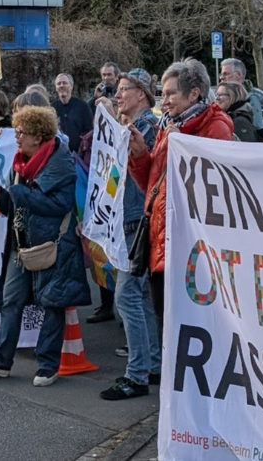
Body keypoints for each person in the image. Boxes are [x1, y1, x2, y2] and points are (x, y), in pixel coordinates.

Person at [0, 106, 91, 386]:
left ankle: (47, 365)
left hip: (53, 246)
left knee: (52, 304)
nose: (17, 137)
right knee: (11, 300)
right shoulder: (21, 161)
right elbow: (18, 204)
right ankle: (2, 360)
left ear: (38, 137)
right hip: (22, 245)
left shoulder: (61, 163)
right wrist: (2, 198)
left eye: (22, 132)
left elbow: (59, 205)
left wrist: (19, 193)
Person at [129, 59, 233, 323]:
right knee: (166, 326)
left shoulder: (215, 127)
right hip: (161, 242)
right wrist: (140, 153)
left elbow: (213, 191)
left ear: (194, 93)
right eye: (162, 94)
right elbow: (152, 188)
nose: (164, 101)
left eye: (171, 93)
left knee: (189, 328)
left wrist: (183, 147)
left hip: (191, 249)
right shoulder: (168, 126)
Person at [100, 68, 162, 400]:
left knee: (127, 297)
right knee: (138, 297)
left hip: (138, 222)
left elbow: (142, 174)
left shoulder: (147, 129)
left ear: (142, 94)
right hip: (128, 220)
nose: (118, 94)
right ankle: (152, 365)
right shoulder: (131, 128)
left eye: (124, 89)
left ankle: (137, 375)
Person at [52, 73, 93, 153]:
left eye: (64, 83)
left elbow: (89, 131)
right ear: (56, 88)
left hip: (79, 155)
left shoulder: (83, 106)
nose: (61, 85)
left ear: (71, 86)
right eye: (59, 84)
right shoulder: (52, 108)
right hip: (57, 154)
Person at [219, 58, 263, 128]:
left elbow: (256, 129)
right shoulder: (223, 97)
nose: (221, 77)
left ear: (238, 75)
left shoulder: (251, 99)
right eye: (221, 74)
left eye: (226, 74)